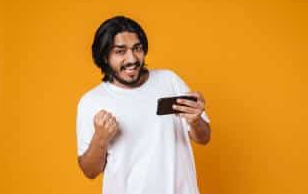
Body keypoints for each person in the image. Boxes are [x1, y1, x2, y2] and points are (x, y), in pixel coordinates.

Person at [76, 15, 211, 194]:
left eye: (137, 48)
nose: (132, 59)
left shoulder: (169, 80)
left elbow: (204, 137)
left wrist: (195, 121)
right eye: (120, 51)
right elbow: (90, 171)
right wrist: (100, 137)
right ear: (105, 57)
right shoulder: (91, 101)